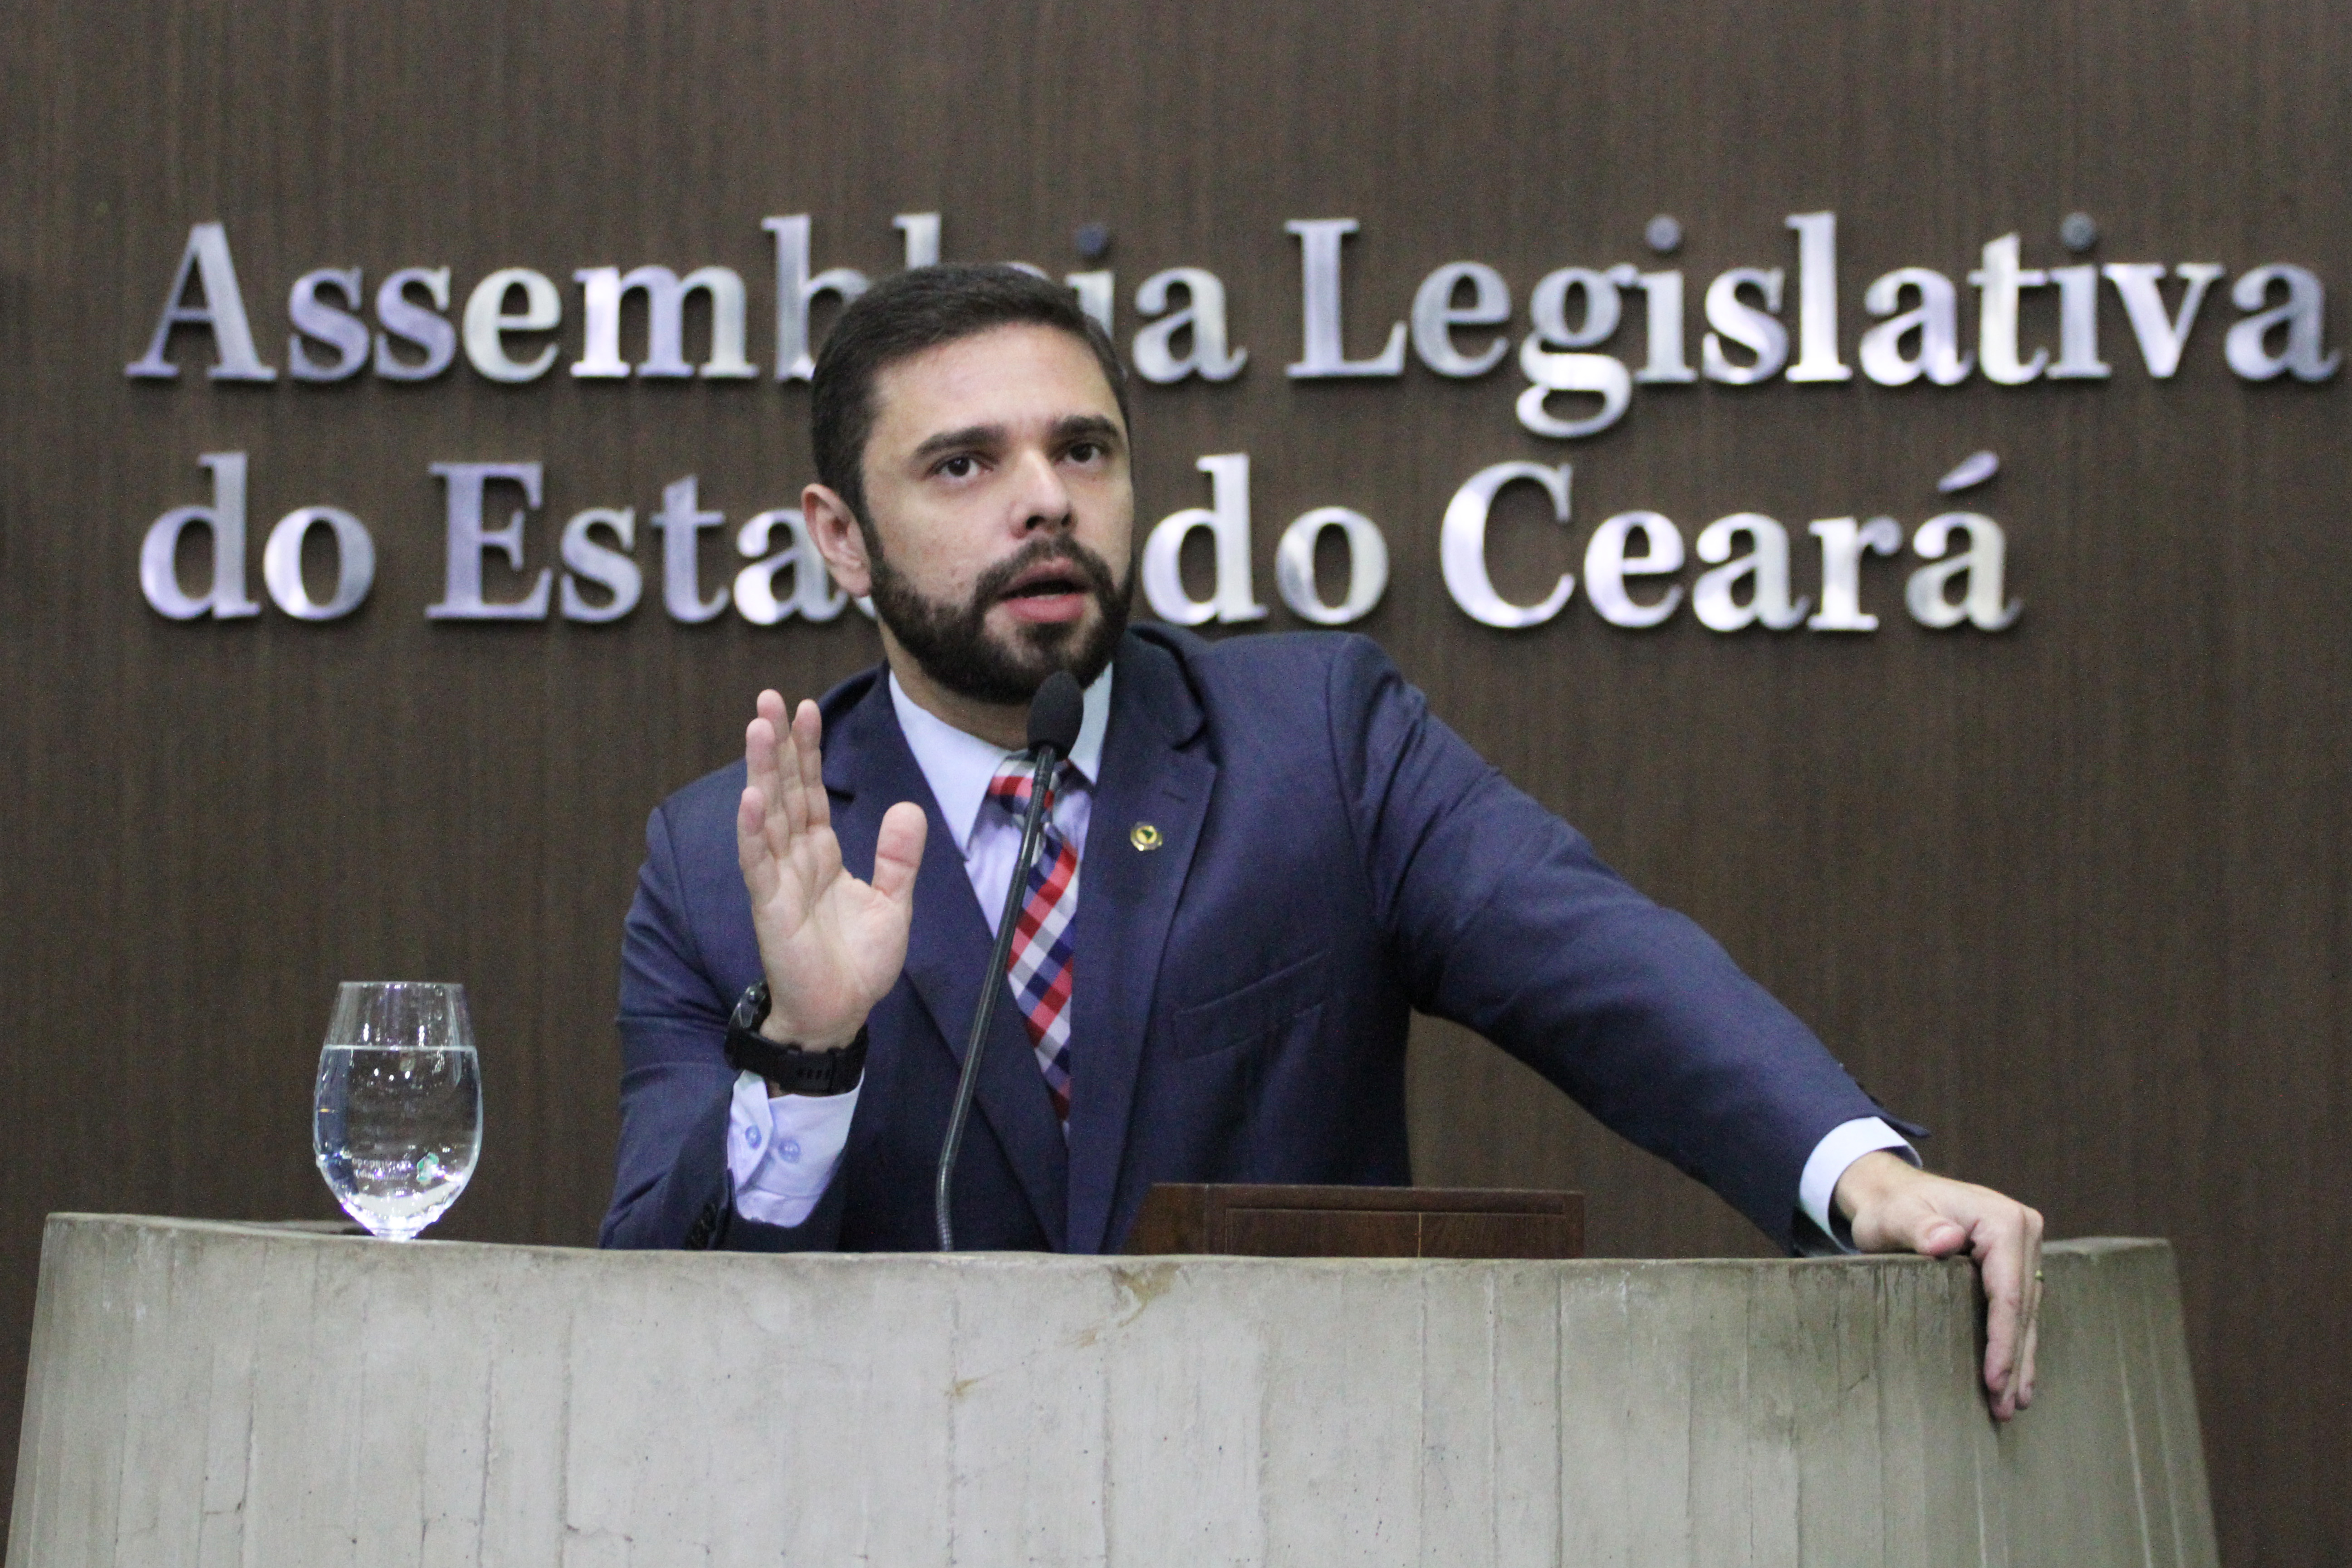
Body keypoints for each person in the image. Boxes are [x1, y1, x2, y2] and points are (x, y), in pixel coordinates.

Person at [602, 265, 2045, 1419]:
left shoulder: (1318, 745)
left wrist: (1858, 1172)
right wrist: (804, 1055)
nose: (1045, 497)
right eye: (964, 464)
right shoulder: (723, 864)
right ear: (842, 536)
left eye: (1082, 448)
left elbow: (1597, 962)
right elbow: (651, 1325)